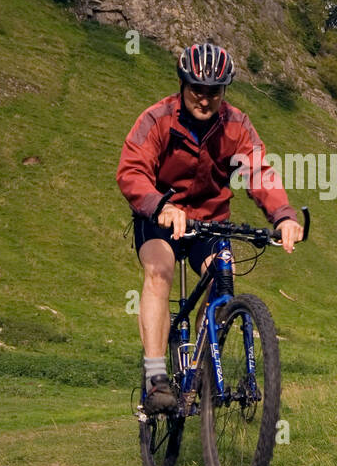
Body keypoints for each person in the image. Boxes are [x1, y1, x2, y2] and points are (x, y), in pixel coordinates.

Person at [117, 41, 304, 412]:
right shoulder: (157, 119)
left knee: (224, 276)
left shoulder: (236, 125)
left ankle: (203, 362)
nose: (204, 99)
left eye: (214, 92)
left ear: (224, 91)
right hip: (159, 219)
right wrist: (161, 205)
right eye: (197, 90)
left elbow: (258, 172)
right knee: (159, 271)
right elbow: (131, 171)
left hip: (209, 223)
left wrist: (282, 215)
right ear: (183, 85)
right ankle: (156, 378)